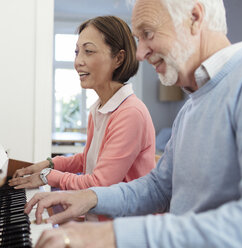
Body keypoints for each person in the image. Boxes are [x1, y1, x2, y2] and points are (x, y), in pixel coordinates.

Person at [25, 0, 242, 247]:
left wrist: (110, 235)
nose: (141, 53)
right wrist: (89, 197)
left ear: (194, 18)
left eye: (148, 34)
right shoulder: (193, 104)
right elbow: (158, 189)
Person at [9, 16, 155, 195]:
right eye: (77, 52)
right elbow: (88, 159)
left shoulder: (131, 113)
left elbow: (99, 184)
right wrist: (49, 164)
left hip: (121, 221)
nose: (78, 62)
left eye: (89, 51)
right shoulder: (100, 108)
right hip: (97, 216)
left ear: (118, 58)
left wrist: (48, 176)